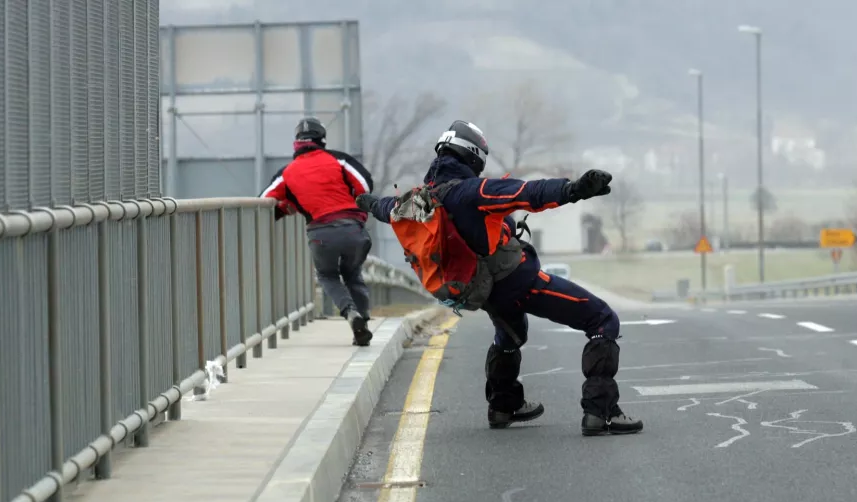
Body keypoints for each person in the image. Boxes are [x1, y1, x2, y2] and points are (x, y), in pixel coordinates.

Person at [355, 120, 643, 436]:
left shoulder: (417, 200)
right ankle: (600, 413)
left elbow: (386, 208)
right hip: (518, 282)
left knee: (510, 334)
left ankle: (504, 406)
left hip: (482, 289)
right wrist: (573, 189)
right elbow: (526, 193)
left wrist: (368, 203)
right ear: (474, 155)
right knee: (602, 320)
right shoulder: (472, 192)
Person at [261, 117, 376, 346]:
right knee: (353, 274)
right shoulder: (339, 160)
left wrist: (287, 207)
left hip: (320, 233)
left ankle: (350, 313)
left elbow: (265, 202)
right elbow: (364, 185)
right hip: (353, 228)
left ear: (297, 142)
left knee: (327, 276)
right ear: (321, 140)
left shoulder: (287, 173)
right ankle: (362, 321)